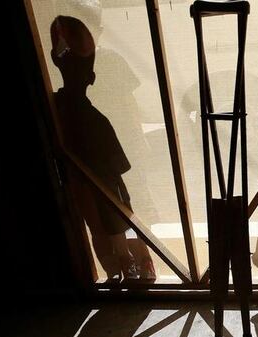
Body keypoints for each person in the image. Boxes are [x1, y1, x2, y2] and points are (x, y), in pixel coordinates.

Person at [50, 15, 156, 282]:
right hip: (104, 163)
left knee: (109, 222)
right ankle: (132, 266)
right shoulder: (79, 109)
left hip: (103, 161)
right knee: (115, 220)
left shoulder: (65, 106)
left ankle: (125, 268)